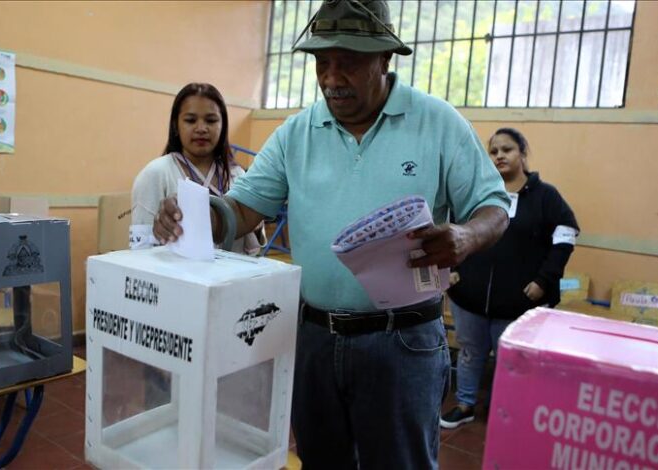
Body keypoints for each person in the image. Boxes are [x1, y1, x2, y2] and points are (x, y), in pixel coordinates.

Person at [154, 1, 510, 468]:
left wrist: (465, 236)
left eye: (349, 62)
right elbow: (242, 209)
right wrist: (196, 217)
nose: (331, 78)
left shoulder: (437, 123)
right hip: (315, 337)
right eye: (322, 64)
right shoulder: (297, 133)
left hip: (403, 342)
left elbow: (495, 207)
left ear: (385, 59)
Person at [442, 128, 580, 430]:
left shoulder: (546, 196)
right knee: (469, 353)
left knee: (512, 360)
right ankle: (465, 404)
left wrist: (544, 280)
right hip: (470, 296)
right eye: (493, 151)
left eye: (507, 149)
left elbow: (567, 235)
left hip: (519, 300)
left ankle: (501, 409)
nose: (500, 156)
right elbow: (451, 230)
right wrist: (448, 270)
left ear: (523, 154)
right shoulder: (478, 193)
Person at [130, 82, 263, 254]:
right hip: (175, 279)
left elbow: (252, 247)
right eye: (190, 120)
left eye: (211, 120)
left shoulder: (238, 175)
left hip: (230, 278)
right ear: (175, 126)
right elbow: (141, 251)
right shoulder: (155, 174)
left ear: (222, 126)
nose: (201, 129)